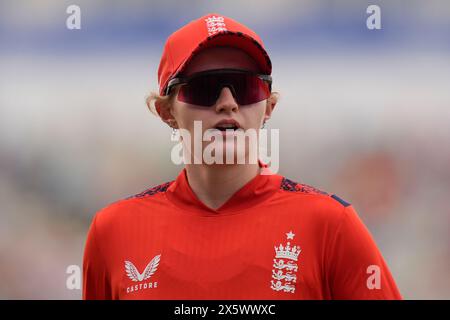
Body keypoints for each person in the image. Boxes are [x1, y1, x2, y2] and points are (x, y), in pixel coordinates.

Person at [83, 13, 402, 300]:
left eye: (245, 87)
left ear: (269, 107)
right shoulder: (114, 230)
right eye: (204, 88)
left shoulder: (331, 225)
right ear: (166, 111)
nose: (227, 102)